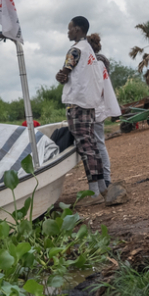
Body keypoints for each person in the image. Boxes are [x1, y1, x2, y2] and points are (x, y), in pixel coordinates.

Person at [56, 16, 106, 205]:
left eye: (70, 29)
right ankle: (102, 188)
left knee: (86, 147)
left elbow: (65, 72)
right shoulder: (90, 52)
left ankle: (94, 193)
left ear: (78, 29)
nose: (68, 32)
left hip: (78, 104)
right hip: (90, 104)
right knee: (92, 146)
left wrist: (61, 75)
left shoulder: (76, 50)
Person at [87, 33, 121, 190]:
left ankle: (105, 180)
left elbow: (95, 88)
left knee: (97, 145)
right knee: (99, 144)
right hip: (97, 108)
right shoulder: (100, 62)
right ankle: (104, 180)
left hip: (94, 109)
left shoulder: (95, 64)